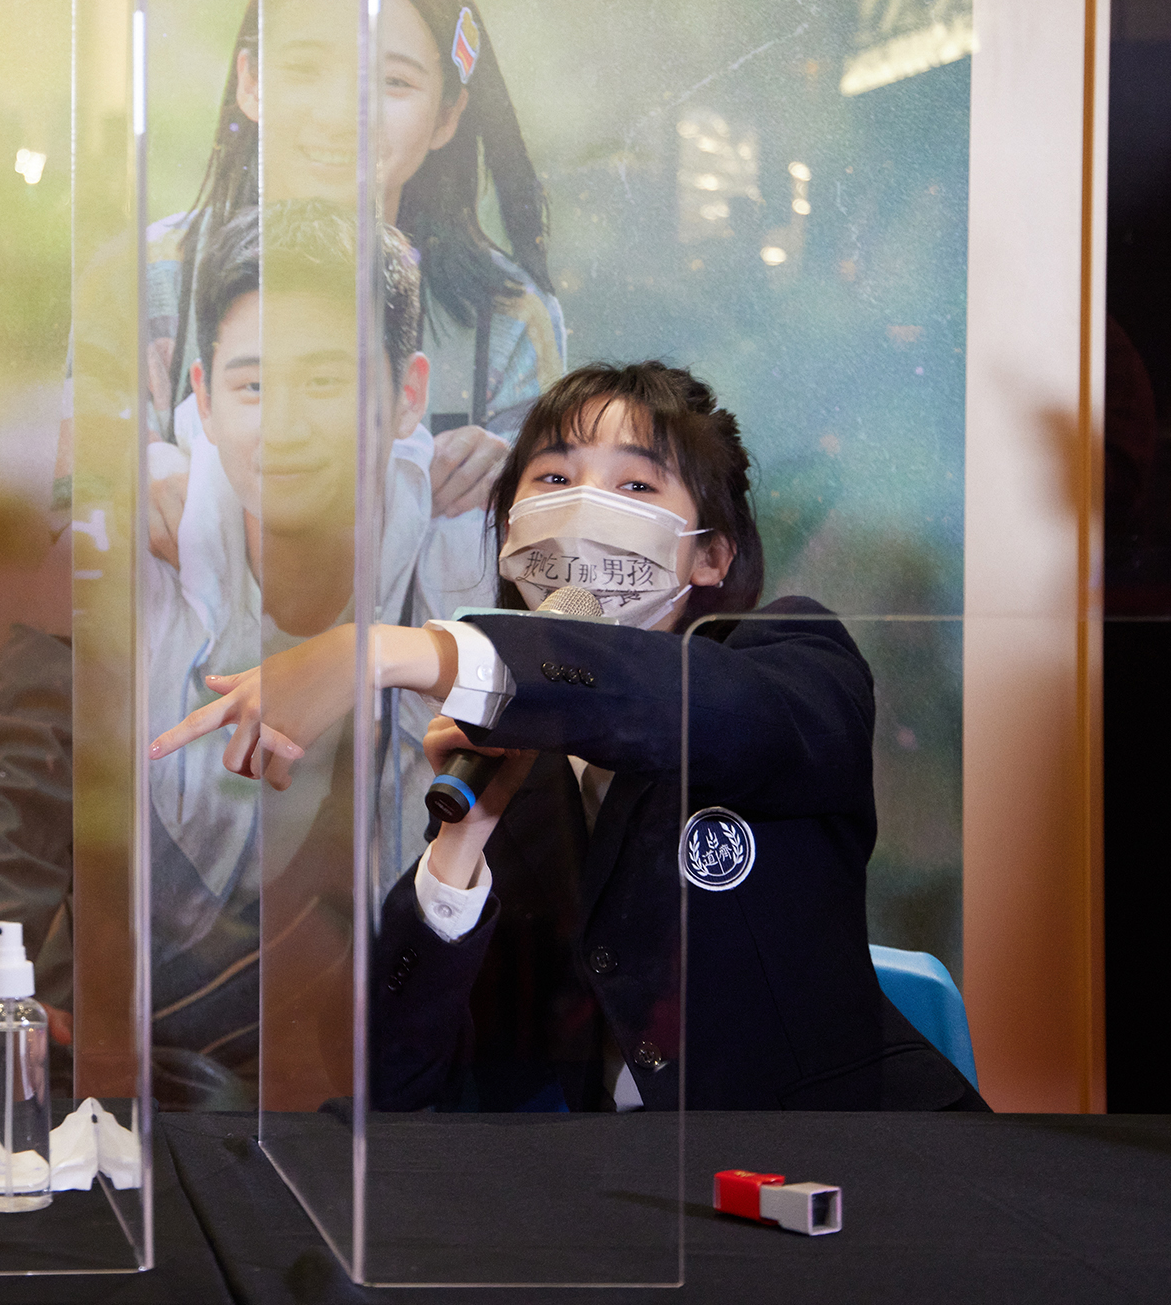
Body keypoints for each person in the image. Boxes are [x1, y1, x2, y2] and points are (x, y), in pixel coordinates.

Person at [152, 361, 984, 1111]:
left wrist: (390, 651)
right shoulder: (519, 774)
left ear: (711, 557)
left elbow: (694, 707)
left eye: (636, 485)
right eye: (553, 477)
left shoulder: (792, 664)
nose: (585, 508)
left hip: (853, 1161)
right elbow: (399, 1085)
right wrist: (460, 846)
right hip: (616, 1197)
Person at [0, 201, 482, 1107]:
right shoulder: (133, 543)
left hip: (398, 1075)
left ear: (407, 394)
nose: (284, 426)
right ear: (204, 400)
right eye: (253, 388)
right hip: (134, 1062)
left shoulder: (471, 552)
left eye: (326, 383)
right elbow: (15, 769)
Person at [147, 0, 565, 567]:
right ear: (251, 81)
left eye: (392, 82)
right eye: (303, 69)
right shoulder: (151, 276)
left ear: (447, 114)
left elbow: (550, 570)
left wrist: (524, 481)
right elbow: (67, 528)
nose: (342, 114)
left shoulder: (508, 316)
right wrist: (126, 475)